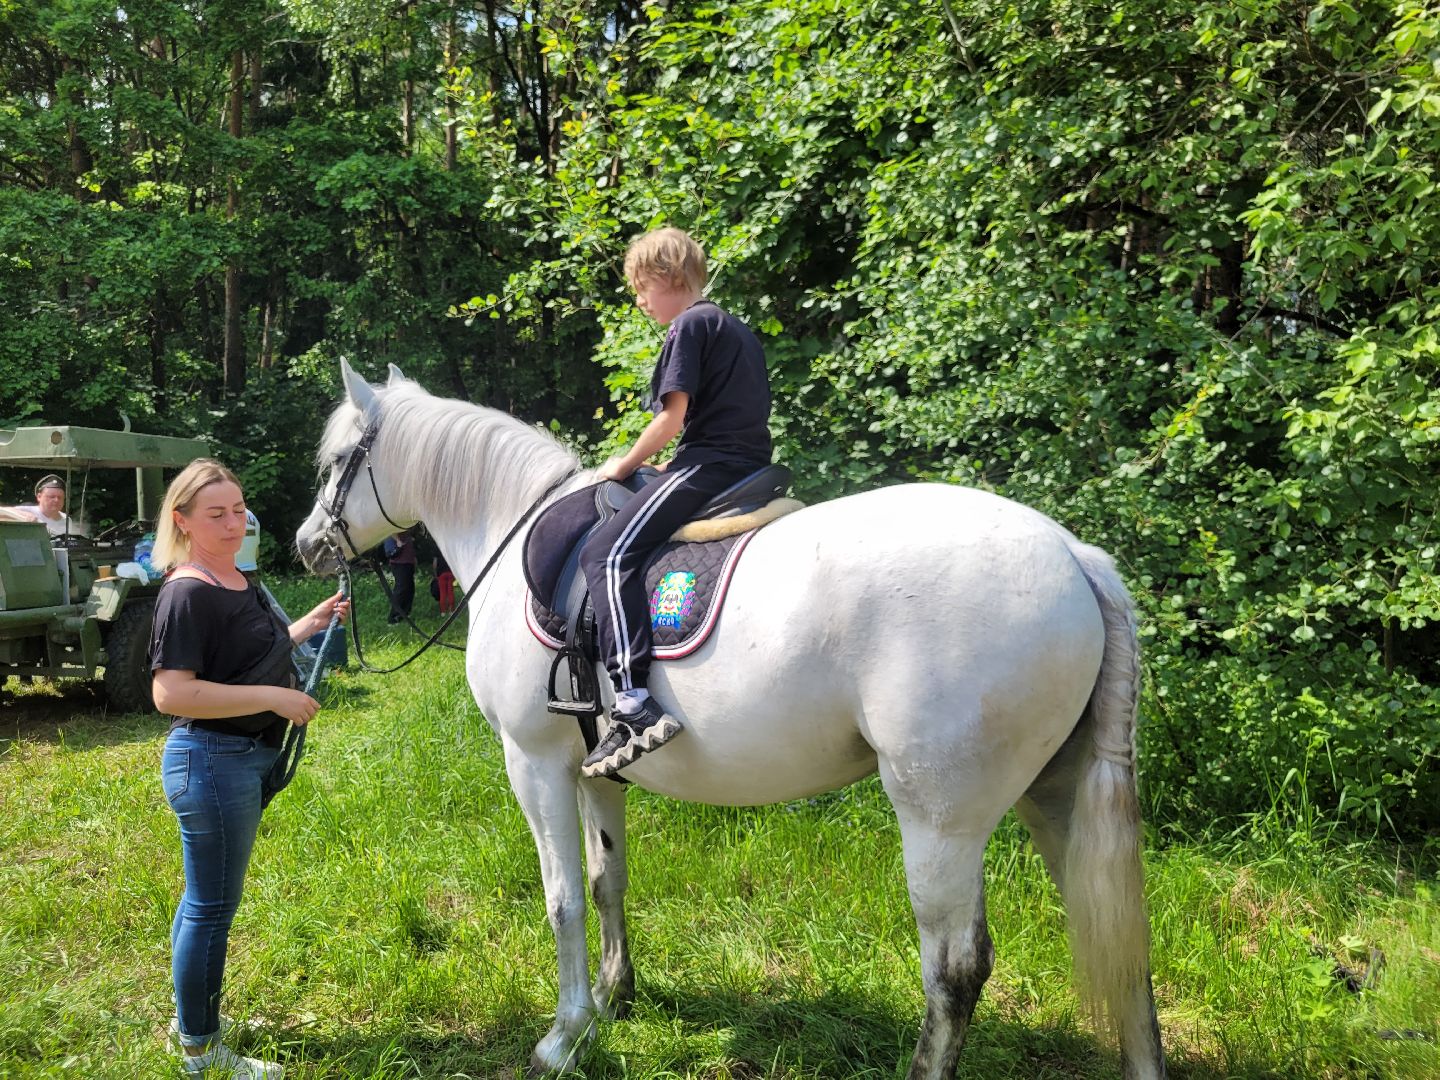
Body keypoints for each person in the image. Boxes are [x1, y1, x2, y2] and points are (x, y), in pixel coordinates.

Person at [149, 459, 348, 1079]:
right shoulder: (187, 591)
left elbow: (242, 659)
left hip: (236, 761)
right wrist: (274, 699)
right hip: (210, 762)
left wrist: (303, 629)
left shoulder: (235, 578)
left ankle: (194, 1020)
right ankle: (202, 1051)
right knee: (211, 908)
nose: (234, 522)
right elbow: (172, 694)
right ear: (182, 521)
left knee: (203, 903)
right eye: (217, 513)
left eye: (239, 510)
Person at [577, 227, 772, 779]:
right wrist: (674, 465)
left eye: (642, 287)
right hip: (743, 463)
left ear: (669, 277)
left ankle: (634, 703)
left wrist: (621, 465)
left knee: (606, 555)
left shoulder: (688, 325)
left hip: (713, 466)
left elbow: (672, 418)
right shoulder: (734, 327)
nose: (639, 300)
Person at [10, 474, 87, 537]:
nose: (56, 500)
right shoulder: (26, 511)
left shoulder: (66, 520)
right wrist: (22, 515)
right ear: (39, 497)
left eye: (60, 497)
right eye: (51, 497)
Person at [383, 529, 416, 624]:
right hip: (399, 562)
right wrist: (398, 540)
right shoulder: (396, 520)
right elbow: (389, 530)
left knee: (410, 588)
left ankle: (405, 613)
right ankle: (393, 617)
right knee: (401, 588)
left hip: (408, 561)